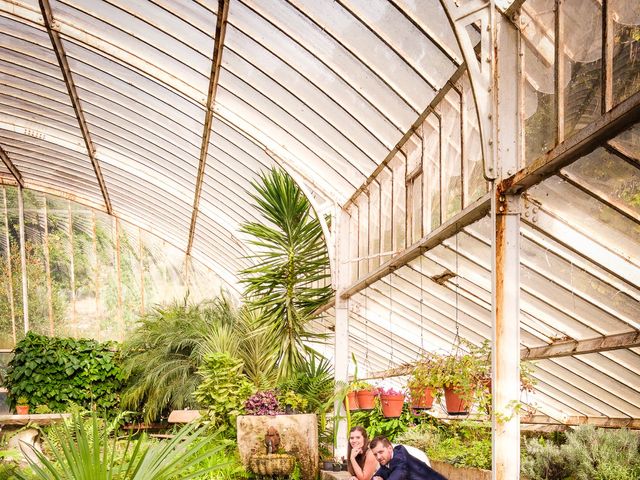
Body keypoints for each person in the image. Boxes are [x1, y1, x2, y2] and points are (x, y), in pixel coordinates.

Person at [370, 436, 447, 480]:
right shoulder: (386, 460)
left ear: (390, 448)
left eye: (381, 452)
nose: (378, 457)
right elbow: (377, 476)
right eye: (375, 454)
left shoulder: (401, 462)